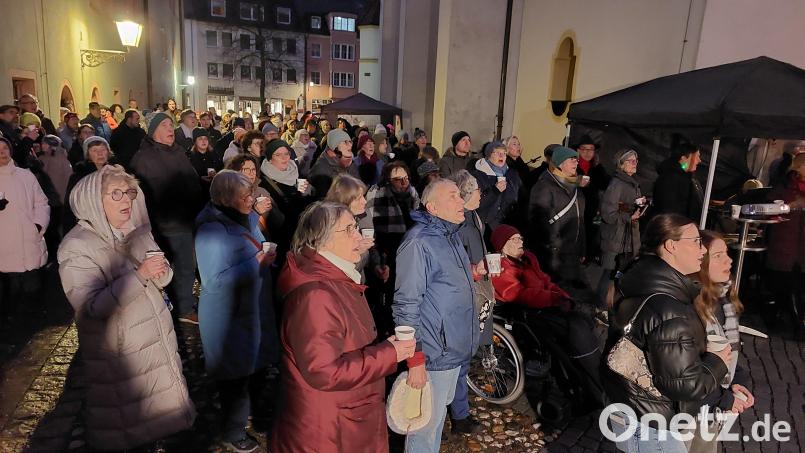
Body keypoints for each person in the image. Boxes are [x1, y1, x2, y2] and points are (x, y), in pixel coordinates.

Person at [57, 165, 195, 450]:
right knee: (128, 426)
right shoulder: (76, 246)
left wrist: (160, 271)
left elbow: (162, 276)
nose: (126, 201)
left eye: (129, 193)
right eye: (115, 194)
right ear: (93, 201)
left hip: (153, 341)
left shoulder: (135, 230)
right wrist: (139, 276)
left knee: (157, 416)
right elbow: (92, 307)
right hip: (121, 354)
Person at [272, 201, 415, 452]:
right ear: (322, 240)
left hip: (347, 415)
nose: (358, 235)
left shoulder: (335, 278)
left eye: (356, 226)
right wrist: (388, 354)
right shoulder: (316, 295)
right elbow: (324, 371)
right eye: (348, 229)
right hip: (329, 429)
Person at [604, 213, 731, 453]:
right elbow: (684, 385)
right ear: (671, 246)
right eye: (696, 241)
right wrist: (718, 362)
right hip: (652, 425)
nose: (702, 250)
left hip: (631, 410)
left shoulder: (639, 280)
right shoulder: (669, 309)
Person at [195, 170, 279, 452]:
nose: (251, 199)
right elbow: (213, 281)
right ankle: (232, 433)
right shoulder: (211, 230)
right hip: (228, 318)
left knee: (253, 370)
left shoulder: (243, 217)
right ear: (224, 199)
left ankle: (250, 415)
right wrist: (256, 263)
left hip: (251, 311)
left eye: (251, 194)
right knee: (236, 380)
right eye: (244, 196)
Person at [392, 179, 478, 452]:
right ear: (433, 207)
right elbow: (406, 303)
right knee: (424, 431)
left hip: (454, 349)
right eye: (452, 196)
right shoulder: (418, 243)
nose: (461, 201)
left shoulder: (450, 236)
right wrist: (414, 358)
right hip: (433, 353)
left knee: (436, 423)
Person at [489, 224, 603, 401]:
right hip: (528, 312)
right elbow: (521, 295)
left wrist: (563, 297)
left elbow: (546, 281)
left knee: (583, 319)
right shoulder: (501, 269)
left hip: (546, 304)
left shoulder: (528, 258)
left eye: (521, 238)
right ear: (502, 246)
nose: (520, 241)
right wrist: (554, 299)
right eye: (514, 239)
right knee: (574, 327)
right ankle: (588, 381)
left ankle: (591, 373)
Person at [131, 112, 204, 324]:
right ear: (154, 131)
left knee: (185, 265)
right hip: (167, 221)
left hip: (186, 217)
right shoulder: (143, 158)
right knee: (181, 265)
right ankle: (183, 308)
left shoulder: (177, 151)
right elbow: (143, 193)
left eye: (171, 124)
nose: (170, 129)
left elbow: (188, 179)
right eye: (164, 125)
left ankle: (182, 301)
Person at [688, 231, 754, 453]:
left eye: (726, 253)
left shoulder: (722, 301)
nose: (729, 260)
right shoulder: (693, 306)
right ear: (700, 262)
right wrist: (724, 399)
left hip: (710, 408)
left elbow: (728, 355)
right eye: (718, 256)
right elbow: (686, 370)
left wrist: (738, 379)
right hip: (691, 413)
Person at [448, 170, 495, 434]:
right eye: (477, 189)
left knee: (465, 353)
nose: (481, 193)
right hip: (469, 294)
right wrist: (475, 270)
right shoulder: (461, 223)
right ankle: (460, 414)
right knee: (462, 355)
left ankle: (460, 409)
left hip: (478, 287)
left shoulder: (473, 217)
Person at [0, 137, 49, 322]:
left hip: (29, 239)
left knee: (32, 283)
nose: (2, 152)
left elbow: (41, 202)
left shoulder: (25, 175)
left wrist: (38, 225)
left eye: (5, 147)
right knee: (11, 287)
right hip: (5, 244)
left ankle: (32, 318)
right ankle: (11, 321)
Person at [365, 161, 421, 321]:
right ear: (388, 180)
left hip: (409, 250)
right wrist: (376, 259)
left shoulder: (413, 194)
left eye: (406, 178)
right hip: (386, 250)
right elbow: (370, 228)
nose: (404, 182)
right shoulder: (378, 194)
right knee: (386, 297)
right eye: (398, 179)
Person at [528, 146, 588, 289]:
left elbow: (580, 219)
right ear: (560, 164)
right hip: (553, 253)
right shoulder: (544, 186)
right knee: (552, 291)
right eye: (571, 160)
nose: (576, 163)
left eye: (576, 160)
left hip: (571, 251)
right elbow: (538, 221)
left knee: (567, 293)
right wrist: (554, 245)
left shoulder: (574, 186)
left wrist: (582, 247)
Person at [764, 152, 804, 328]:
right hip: (785, 243)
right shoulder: (785, 187)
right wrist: (791, 207)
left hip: (801, 247)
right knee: (785, 283)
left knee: (797, 284)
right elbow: (770, 209)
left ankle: (792, 319)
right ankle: (794, 322)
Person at [598, 149, 643, 304]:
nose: (634, 163)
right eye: (630, 160)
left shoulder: (632, 183)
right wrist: (628, 216)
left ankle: (612, 306)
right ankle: (600, 308)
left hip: (627, 237)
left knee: (620, 273)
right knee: (609, 274)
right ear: (621, 164)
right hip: (616, 237)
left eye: (636, 160)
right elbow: (608, 214)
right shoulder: (617, 184)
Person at [260, 139, 311, 267]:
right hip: (282, 241)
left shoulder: (295, 173)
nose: (284, 158)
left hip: (300, 236)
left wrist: (307, 192)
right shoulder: (264, 183)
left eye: (286, 154)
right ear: (270, 158)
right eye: (278, 155)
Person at [324, 174, 380, 284]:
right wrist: (358, 252)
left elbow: (371, 243)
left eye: (364, 196)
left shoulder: (363, 213)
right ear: (344, 200)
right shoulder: (330, 224)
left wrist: (377, 265)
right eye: (359, 198)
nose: (365, 201)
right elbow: (334, 267)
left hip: (358, 281)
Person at [63, 136, 114, 233]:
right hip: (90, 227)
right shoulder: (78, 177)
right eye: (94, 150)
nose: (100, 154)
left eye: (103, 149)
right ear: (88, 154)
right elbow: (69, 207)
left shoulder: (116, 173)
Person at [470, 141, 522, 230]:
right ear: (489, 155)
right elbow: (475, 204)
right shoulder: (477, 175)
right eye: (497, 153)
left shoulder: (512, 174)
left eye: (504, 153)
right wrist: (495, 191)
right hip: (485, 225)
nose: (502, 156)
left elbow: (520, 198)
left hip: (507, 224)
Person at [575, 135, 610, 261]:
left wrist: (598, 167)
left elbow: (606, 184)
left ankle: (587, 258)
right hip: (576, 208)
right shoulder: (573, 165)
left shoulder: (596, 168)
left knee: (590, 233)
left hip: (591, 209)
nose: (588, 152)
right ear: (578, 150)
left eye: (591, 149)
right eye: (584, 149)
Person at [226, 154, 279, 235]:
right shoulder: (228, 198)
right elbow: (235, 232)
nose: (251, 173)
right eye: (246, 169)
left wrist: (272, 211)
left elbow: (280, 222)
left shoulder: (262, 192)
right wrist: (256, 212)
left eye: (253, 169)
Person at [652, 143, 703, 221]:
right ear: (683, 158)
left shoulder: (689, 178)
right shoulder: (670, 178)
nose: (699, 160)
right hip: (676, 227)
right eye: (697, 156)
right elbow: (668, 208)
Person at [309, 128, 358, 197]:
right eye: (345, 142)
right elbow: (323, 198)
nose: (350, 145)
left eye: (350, 142)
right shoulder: (321, 168)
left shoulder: (349, 162)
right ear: (335, 146)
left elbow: (357, 185)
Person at [188, 127, 223, 201]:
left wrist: (216, 174)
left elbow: (221, 168)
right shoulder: (189, 157)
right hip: (198, 195)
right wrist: (200, 178)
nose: (203, 141)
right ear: (195, 141)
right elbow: (188, 177)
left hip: (214, 193)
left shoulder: (214, 154)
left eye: (205, 138)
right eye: (200, 139)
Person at [38, 135, 72, 205]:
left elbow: (68, 179)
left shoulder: (62, 160)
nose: (43, 145)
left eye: (46, 143)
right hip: (44, 195)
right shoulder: (41, 158)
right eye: (43, 143)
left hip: (59, 196)